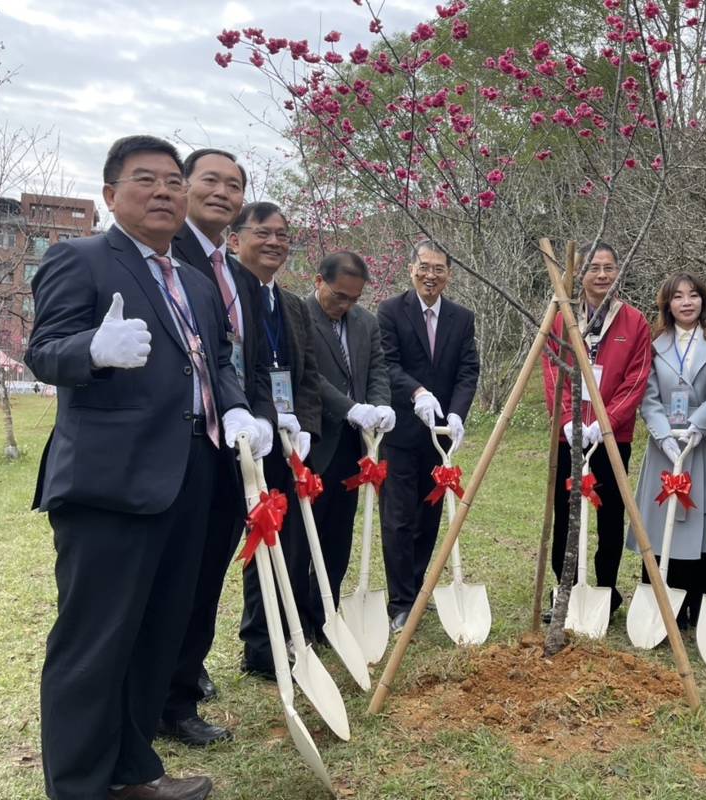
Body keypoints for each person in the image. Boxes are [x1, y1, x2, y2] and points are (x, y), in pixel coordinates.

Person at [26, 135, 273, 800]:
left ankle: (133, 773)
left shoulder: (192, 280)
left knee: (155, 635)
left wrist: (239, 409)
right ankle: (79, 787)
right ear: (111, 195)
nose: (163, 192)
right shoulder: (77, 260)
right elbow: (44, 351)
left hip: (190, 473)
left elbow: (216, 359)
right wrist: (92, 348)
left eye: (171, 182)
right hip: (111, 481)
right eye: (146, 181)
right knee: (95, 643)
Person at [159, 149, 280, 747]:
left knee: (207, 578)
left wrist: (261, 419)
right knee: (172, 581)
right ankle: (157, 695)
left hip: (231, 451)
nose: (223, 193)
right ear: (185, 186)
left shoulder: (237, 276)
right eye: (211, 180)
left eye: (235, 185)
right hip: (175, 447)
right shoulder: (165, 252)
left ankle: (179, 693)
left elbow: (252, 365)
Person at [226, 202, 324, 676]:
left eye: (283, 235)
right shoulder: (222, 294)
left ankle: (272, 639)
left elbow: (306, 374)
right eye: (262, 233)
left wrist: (301, 424)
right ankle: (245, 646)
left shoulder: (292, 305)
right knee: (238, 545)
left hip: (285, 442)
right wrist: (264, 417)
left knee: (282, 540)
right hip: (238, 437)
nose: (274, 243)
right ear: (235, 240)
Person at [541, 242, 652, 617]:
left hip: (611, 437)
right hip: (568, 435)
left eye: (608, 268)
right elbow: (553, 369)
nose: (601, 275)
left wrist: (603, 424)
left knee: (609, 516)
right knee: (565, 511)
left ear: (617, 272)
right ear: (580, 274)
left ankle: (605, 588)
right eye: (593, 268)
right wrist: (570, 420)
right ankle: (564, 588)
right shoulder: (561, 318)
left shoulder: (634, 321)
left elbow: (636, 379)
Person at [377, 241, 480, 633]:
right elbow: (387, 362)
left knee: (429, 515)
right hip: (402, 431)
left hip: (440, 438)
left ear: (449, 274)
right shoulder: (390, 311)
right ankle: (400, 601)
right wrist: (417, 393)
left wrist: (456, 412)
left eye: (439, 268)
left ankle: (418, 590)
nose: (430, 275)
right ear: (411, 269)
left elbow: (468, 370)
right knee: (399, 517)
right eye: (424, 267)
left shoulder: (461, 317)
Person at [627, 273, 706, 631]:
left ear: (703, 300)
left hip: (705, 445)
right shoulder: (654, 344)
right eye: (678, 297)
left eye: (693, 296)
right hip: (665, 447)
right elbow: (648, 394)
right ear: (667, 304)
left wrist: (698, 426)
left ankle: (703, 609)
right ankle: (665, 605)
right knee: (664, 523)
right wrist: (663, 435)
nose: (686, 302)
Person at [302, 250, 392, 638]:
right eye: (339, 296)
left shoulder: (364, 323)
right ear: (319, 281)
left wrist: (380, 406)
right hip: (312, 442)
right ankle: (298, 622)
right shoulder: (299, 316)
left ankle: (326, 615)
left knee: (339, 536)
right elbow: (310, 375)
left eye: (354, 298)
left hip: (353, 448)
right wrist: (350, 408)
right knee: (304, 539)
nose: (345, 305)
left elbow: (377, 369)